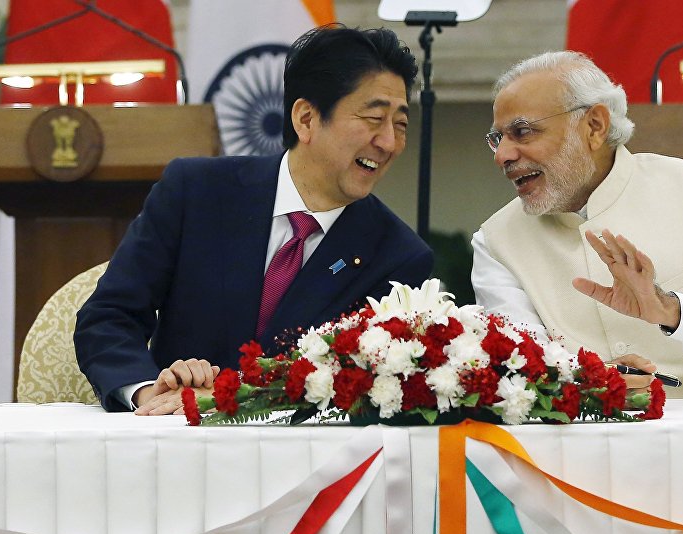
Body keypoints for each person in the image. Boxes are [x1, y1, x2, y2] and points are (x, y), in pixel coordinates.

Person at [75, 25, 433, 414]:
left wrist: (235, 398)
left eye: (400, 124)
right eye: (374, 117)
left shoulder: (398, 257)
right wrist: (149, 391)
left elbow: (369, 386)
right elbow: (108, 317)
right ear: (306, 118)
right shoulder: (195, 192)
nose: (389, 143)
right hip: (169, 444)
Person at [472, 51, 683, 399]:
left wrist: (672, 311)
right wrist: (587, 381)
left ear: (594, 126)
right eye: (498, 138)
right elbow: (520, 370)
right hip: (588, 447)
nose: (503, 156)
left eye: (523, 132)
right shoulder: (496, 241)